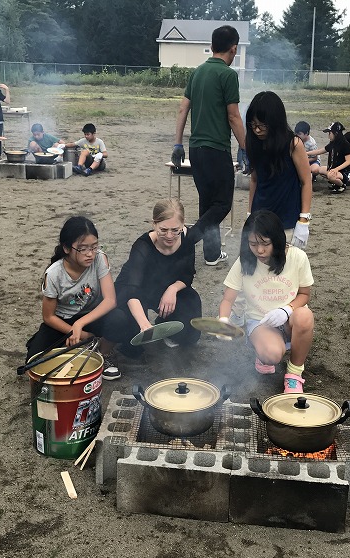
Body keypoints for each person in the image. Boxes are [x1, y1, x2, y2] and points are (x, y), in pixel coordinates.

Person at [173, 24, 247, 267]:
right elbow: (234, 116)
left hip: (196, 150)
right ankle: (186, 241)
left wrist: (177, 144)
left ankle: (211, 254)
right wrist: (245, 147)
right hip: (216, 149)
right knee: (223, 203)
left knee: (207, 201)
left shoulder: (197, 72)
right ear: (233, 48)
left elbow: (183, 108)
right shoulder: (228, 75)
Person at [218, 210, 315, 393]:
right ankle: (262, 351)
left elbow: (304, 294)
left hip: (290, 319)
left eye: (265, 244)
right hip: (261, 321)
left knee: (305, 316)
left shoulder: (297, 257)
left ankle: (294, 375)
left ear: (277, 240)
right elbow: (227, 299)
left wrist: (286, 310)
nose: (259, 250)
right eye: (253, 244)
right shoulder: (245, 262)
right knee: (271, 355)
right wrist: (223, 320)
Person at [25, 216, 121, 380]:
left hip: (93, 315)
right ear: (67, 248)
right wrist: (81, 334)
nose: (90, 254)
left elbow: (110, 300)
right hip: (64, 320)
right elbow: (48, 316)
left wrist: (80, 324)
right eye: (83, 249)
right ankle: (86, 345)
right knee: (34, 363)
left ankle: (103, 354)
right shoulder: (54, 274)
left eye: (94, 247)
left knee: (122, 319)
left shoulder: (100, 258)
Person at [104, 199, 203, 357]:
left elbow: (187, 274)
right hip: (134, 292)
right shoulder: (142, 246)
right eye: (163, 230)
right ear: (154, 224)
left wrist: (172, 289)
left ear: (183, 224)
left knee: (191, 309)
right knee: (132, 342)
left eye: (175, 230)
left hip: (165, 286)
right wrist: (144, 325)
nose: (169, 236)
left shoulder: (187, 238)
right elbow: (131, 290)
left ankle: (163, 324)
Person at [246, 92, 312, 249]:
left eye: (262, 125)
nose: (257, 130)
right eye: (253, 124)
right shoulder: (253, 143)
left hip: (286, 221)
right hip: (259, 219)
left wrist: (304, 220)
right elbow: (254, 180)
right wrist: (249, 214)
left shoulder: (293, 144)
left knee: (286, 271)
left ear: (275, 122)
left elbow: (306, 181)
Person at [319, 122, 350, 193]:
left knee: (330, 176)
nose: (328, 136)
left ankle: (342, 185)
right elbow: (321, 151)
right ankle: (335, 183)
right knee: (320, 170)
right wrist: (306, 153)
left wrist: (336, 169)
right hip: (335, 169)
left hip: (344, 172)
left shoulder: (345, 144)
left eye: (330, 133)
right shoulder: (333, 143)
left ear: (336, 133)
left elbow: (348, 161)